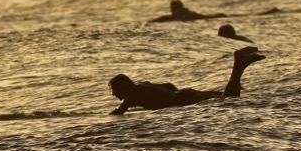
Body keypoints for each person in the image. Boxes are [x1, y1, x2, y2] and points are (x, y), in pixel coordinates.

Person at [108, 46, 266, 114]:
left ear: (122, 87)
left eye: (114, 90)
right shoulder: (143, 85)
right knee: (226, 98)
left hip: (181, 99)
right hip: (182, 94)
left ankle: (239, 62)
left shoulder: (131, 95)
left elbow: (119, 112)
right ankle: (240, 64)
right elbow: (168, 85)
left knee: (229, 99)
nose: (113, 94)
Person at [150, 0, 225, 23]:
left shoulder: (189, 15)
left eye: (175, 9)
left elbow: (202, 17)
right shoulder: (168, 18)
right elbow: (157, 20)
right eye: (172, 9)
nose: (172, 11)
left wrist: (217, 16)